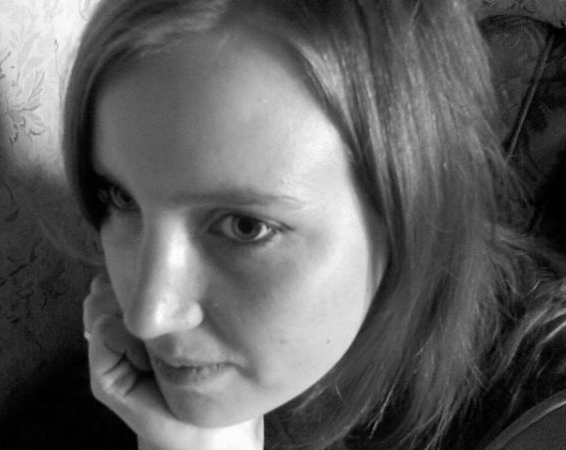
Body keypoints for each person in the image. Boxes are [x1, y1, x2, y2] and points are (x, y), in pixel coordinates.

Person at [62, 0, 566, 449]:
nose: (147, 317)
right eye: (120, 198)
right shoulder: (106, 388)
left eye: (245, 226)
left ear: (408, 215)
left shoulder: (541, 412)